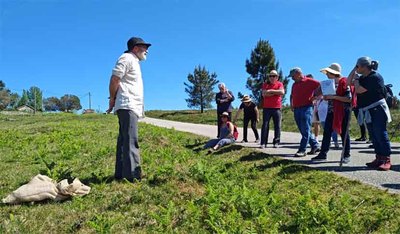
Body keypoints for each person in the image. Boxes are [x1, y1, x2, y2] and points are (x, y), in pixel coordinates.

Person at [106, 37, 151, 182]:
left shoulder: (134, 61)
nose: (147, 51)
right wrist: (112, 99)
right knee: (131, 140)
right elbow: (114, 79)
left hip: (129, 105)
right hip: (127, 104)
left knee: (124, 140)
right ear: (135, 48)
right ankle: (132, 176)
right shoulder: (126, 58)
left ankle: (120, 174)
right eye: (144, 47)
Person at [347, 56, 392, 170]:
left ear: (364, 66)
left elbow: (359, 90)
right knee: (373, 135)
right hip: (368, 109)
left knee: (380, 133)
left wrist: (357, 79)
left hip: (377, 109)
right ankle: (379, 157)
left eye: (358, 66)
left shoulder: (375, 77)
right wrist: (354, 69)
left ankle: (386, 159)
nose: (357, 68)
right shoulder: (362, 77)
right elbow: (348, 82)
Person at [311, 63, 352, 163]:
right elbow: (317, 94)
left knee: (344, 133)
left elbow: (348, 99)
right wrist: (322, 94)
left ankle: (346, 155)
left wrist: (332, 97)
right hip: (331, 111)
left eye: (328, 72)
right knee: (327, 132)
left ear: (333, 73)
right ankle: (323, 154)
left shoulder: (344, 82)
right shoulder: (327, 83)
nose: (326, 74)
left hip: (343, 111)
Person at [289, 67, 321, 157]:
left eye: (293, 76)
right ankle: (315, 145)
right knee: (303, 129)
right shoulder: (294, 84)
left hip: (306, 107)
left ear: (298, 73)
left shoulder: (309, 81)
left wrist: (315, 96)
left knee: (306, 129)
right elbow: (292, 95)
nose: (292, 78)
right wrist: (292, 104)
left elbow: (321, 86)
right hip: (296, 108)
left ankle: (302, 150)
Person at [260, 70, 285, 148]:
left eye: (274, 76)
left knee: (277, 125)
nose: (272, 77)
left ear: (277, 77)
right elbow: (264, 94)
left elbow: (282, 92)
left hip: (277, 108)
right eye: (270, 76)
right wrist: (275, 93)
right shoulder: (265, 84)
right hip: (266, 108)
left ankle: (276, 142)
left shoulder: (280, 84)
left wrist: (270, 91)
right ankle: (263, 143)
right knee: (265, 125)